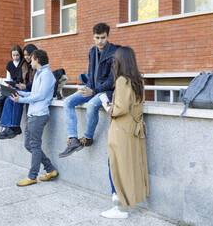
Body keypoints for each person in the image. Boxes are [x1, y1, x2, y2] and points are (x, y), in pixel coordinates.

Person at [100, 46, 149, 219]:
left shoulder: (122, 80)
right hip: (134, 130)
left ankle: (119, 208)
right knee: (129, 168)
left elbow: (119, 109)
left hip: (121, 131)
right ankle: (125, 204)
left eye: (115, 60)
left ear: (120, 61)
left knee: (115, 167)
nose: (113, 63)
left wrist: (106, 104)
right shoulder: (138, 80)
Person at [59, 23, 120, 158]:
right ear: (93, 37)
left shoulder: (115, 52)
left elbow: (112, 81)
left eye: (103, 38)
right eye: (97, 38)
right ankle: (73, 139)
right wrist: (87, 87)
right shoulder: (92, 51)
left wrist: (94, 91)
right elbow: (91, 73)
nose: (100, 41)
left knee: (92, 105)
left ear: (108, 36)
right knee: (68, 101)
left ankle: (88, 138)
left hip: (108, 92)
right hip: (93, 88)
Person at [9, 49, 58, 186]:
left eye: (32, 59)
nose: (30, 61)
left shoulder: (47, 75)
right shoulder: (39, 74)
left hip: (39, 115)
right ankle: (50, 169)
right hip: (33, 114)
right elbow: (34, 93)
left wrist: (21, 100)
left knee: (35, 146)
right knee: (28, 145)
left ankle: (32, 176)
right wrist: (20, 93)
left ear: (38, 60)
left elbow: (40, 96)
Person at [0, 45, 28, 139]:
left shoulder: (23, 63)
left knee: (10, 99)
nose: (15, 57)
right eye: (13, 55)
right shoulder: (10, 64)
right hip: (12, 86)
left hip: (20, 86)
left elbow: (24, 79)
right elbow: (8, 78)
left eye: (17, 55)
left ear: (20, 54)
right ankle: (5, 124)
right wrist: (8, 86)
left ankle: (12, 126)